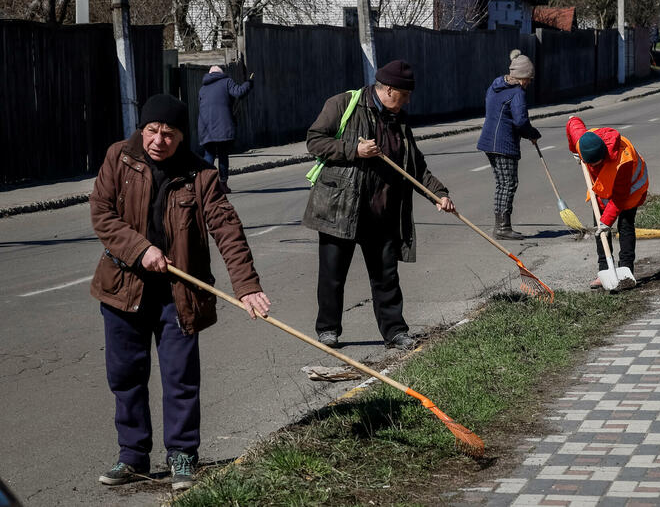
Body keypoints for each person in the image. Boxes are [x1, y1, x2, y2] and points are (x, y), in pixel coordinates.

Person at [90, 94, 271, 492]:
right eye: (152, 131)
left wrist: (246, 286)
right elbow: (102, 215)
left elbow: (227, 229)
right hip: (124, 289)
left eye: (168, 134)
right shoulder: (118, 158)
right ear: (142, 129)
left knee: (180, 378)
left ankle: (183, 455)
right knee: (126, 377)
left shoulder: (200, 175)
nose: (158, 140)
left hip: (178, 293)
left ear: (182, 136)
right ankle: (133, 457)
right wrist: (141, 249)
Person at [302, 60, 455, 352]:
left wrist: (438, 193)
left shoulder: (399, 120)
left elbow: (415, 166)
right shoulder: (343, 104)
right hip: (341, 208)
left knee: (386, 277)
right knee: (333, 275)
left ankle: (395, 332)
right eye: (404, 94)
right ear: (387, 89)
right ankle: (328, 329)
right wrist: (353, 150)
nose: (408, 100)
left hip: (382, 212)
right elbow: (314, 141)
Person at [565, 116, 649, 290]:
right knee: (599, 230)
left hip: (630, 190)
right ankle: (604, 271)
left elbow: (619, 197)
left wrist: (607, 221)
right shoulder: (584, 140)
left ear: (604, 156)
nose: (593, 166)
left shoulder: (622, 162)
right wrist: (574, 149)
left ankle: (626, 269)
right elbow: (573, 122)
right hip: (603, 190)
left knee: (625, 226)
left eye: (596, 163)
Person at [477, 50, 541, 240]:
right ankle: (503, 228)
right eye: (528, 78)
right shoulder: (517, 92)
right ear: (522, 76)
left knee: (502, 184)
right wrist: (532, 134)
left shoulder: (495, 86)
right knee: (508, 184)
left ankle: (501, 226)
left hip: (488, 142)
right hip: (503, 144)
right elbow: (521, 121)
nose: (529, 82)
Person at [197, 65, 253, 194]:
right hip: (222, 126)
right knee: (222, 154)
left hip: (205, 127)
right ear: (221, 73)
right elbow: (239, 92)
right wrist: (248, 83)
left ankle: (206, 184)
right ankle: (223, 184)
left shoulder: (202, 88)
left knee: (209, 155)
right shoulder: (226, 81)